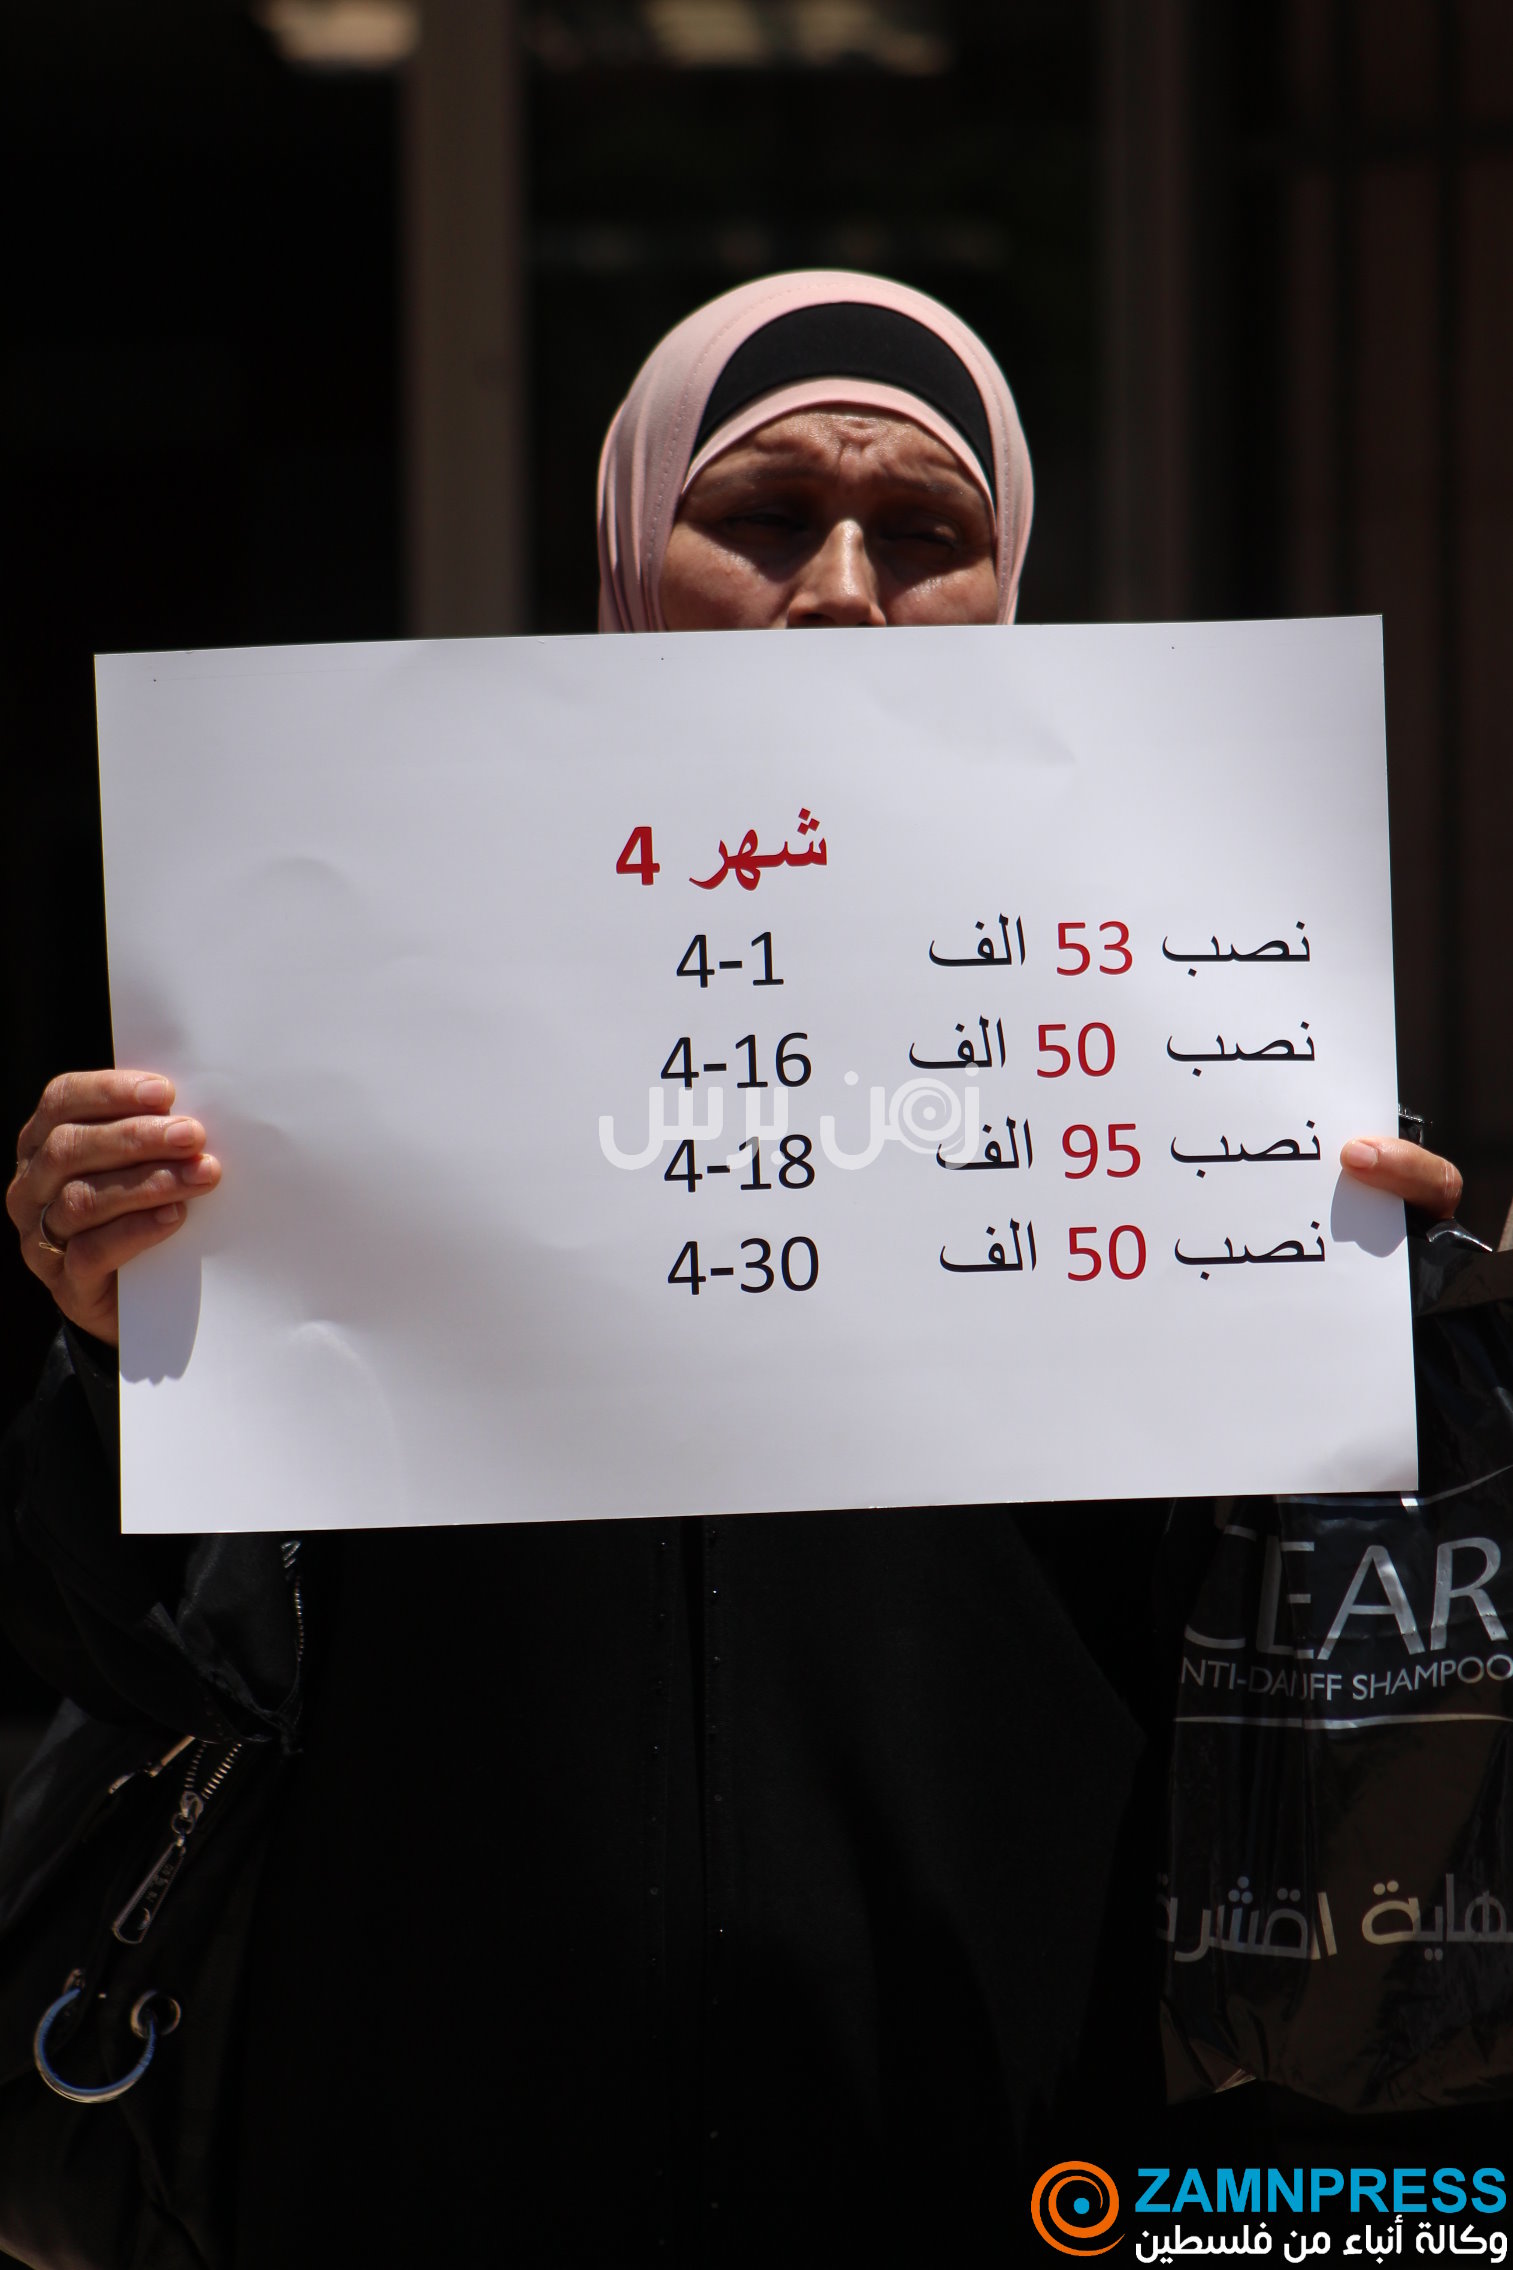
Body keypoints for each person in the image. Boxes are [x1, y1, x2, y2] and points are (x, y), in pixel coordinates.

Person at [3, 272, 1466, 2267]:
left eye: (925, 534)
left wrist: (1390, 1329)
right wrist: (122, 1344)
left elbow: (1330, 1687)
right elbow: (135, 1654)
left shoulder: (1169, 1024)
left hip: (1011, 2145)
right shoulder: (348, 980)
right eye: (766, 517)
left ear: (1011, 586)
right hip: (427, 2142)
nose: (844, 593)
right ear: (628, 555)